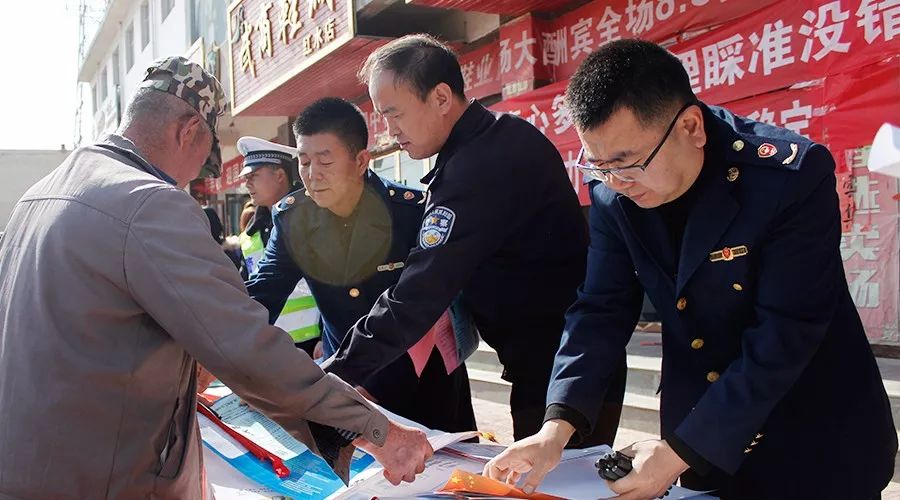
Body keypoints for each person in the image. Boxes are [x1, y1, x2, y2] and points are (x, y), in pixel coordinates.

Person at [0, 56, 432, 498]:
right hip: (105, 476)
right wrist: (374, 431)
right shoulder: (149, 202)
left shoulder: (38, 197)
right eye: (205, 154)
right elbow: (246, 345)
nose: (196, 176)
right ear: (188, 131)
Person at [484, 39, 897, 499]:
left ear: (691, 127)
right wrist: (554, 429)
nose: (616, 182)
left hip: (814, 438)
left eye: (628, 163)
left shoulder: (788, 178)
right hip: (700, 441)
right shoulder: (612, 192)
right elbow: (600, 309)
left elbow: (786, 333)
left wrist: (680, 449)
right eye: (598, 164)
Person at [322, 34, 626, 446]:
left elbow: (419, 292)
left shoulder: (477, 169)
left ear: (442, 97)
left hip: (563, 369)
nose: (390, 132)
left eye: (394, 114)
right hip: (561, 362)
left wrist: (330, 377)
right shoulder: (497, 139)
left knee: (556, 486)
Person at [246, 97, 477, 433]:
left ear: (360, 161)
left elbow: (424, 309)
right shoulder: (293, 219)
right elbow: (265, 290)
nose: (312, 176)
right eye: (305, 162)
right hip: (347, 387)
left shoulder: (411, 213)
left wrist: (366, 385)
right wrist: (223, 351)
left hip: (423, 381)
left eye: (325, 162)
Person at [237, 136, 321, 356]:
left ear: (280, 175)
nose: (247, 184)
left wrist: (327, 337)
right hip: (272, 347)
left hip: (317, 346)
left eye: (253, 176)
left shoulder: (314, 217)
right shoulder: (249, 235)